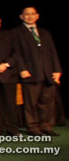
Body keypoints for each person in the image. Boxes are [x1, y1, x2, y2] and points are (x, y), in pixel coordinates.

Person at [13, 7, 62, 136]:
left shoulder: (45, 33)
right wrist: (22, 69)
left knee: (47, 101)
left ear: (37, 16)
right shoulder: (16, 33)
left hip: (48, 73)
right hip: (30, 73)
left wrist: (57, 70)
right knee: (31, 103)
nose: (30, 16)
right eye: (27, 14)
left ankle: (45, 125)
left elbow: (53, 52)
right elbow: (16, 54)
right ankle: (32, 127)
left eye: (32, 14)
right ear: (21, 17)